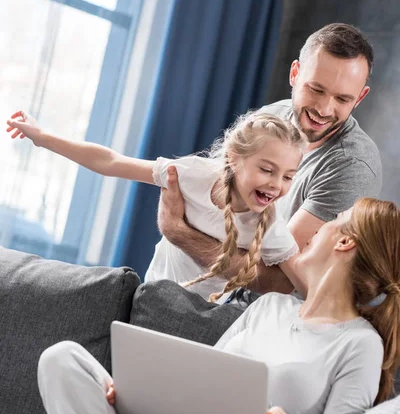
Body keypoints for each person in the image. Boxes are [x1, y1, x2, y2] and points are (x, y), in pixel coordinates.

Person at [37, 197, 400, 414]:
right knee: (63, 358)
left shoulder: (360, 343)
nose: (321, 226)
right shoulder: (267, 306)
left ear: (345, 243)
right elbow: (204, 384)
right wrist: (139, 396)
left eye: (336, 219)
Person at [156, 23, 383, 295]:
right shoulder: (272, 117)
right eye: (316, 90)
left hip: (272, 316)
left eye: (342, 99)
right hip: (211, 292)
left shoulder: (352, 167)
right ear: (295, 73)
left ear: (359, 98)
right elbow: (218, 199)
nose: (324, 109)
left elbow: (278, 281)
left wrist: (178, 232)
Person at [6, 109, 306, 302]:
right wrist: (43, 138)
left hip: (207, 315)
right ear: (233, 159)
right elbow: (112, 162)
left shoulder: (271, 226)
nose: (276, 184)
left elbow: (301, 282)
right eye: (267, 170)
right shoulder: (194, 174)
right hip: (154, 292)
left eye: (288, 177)